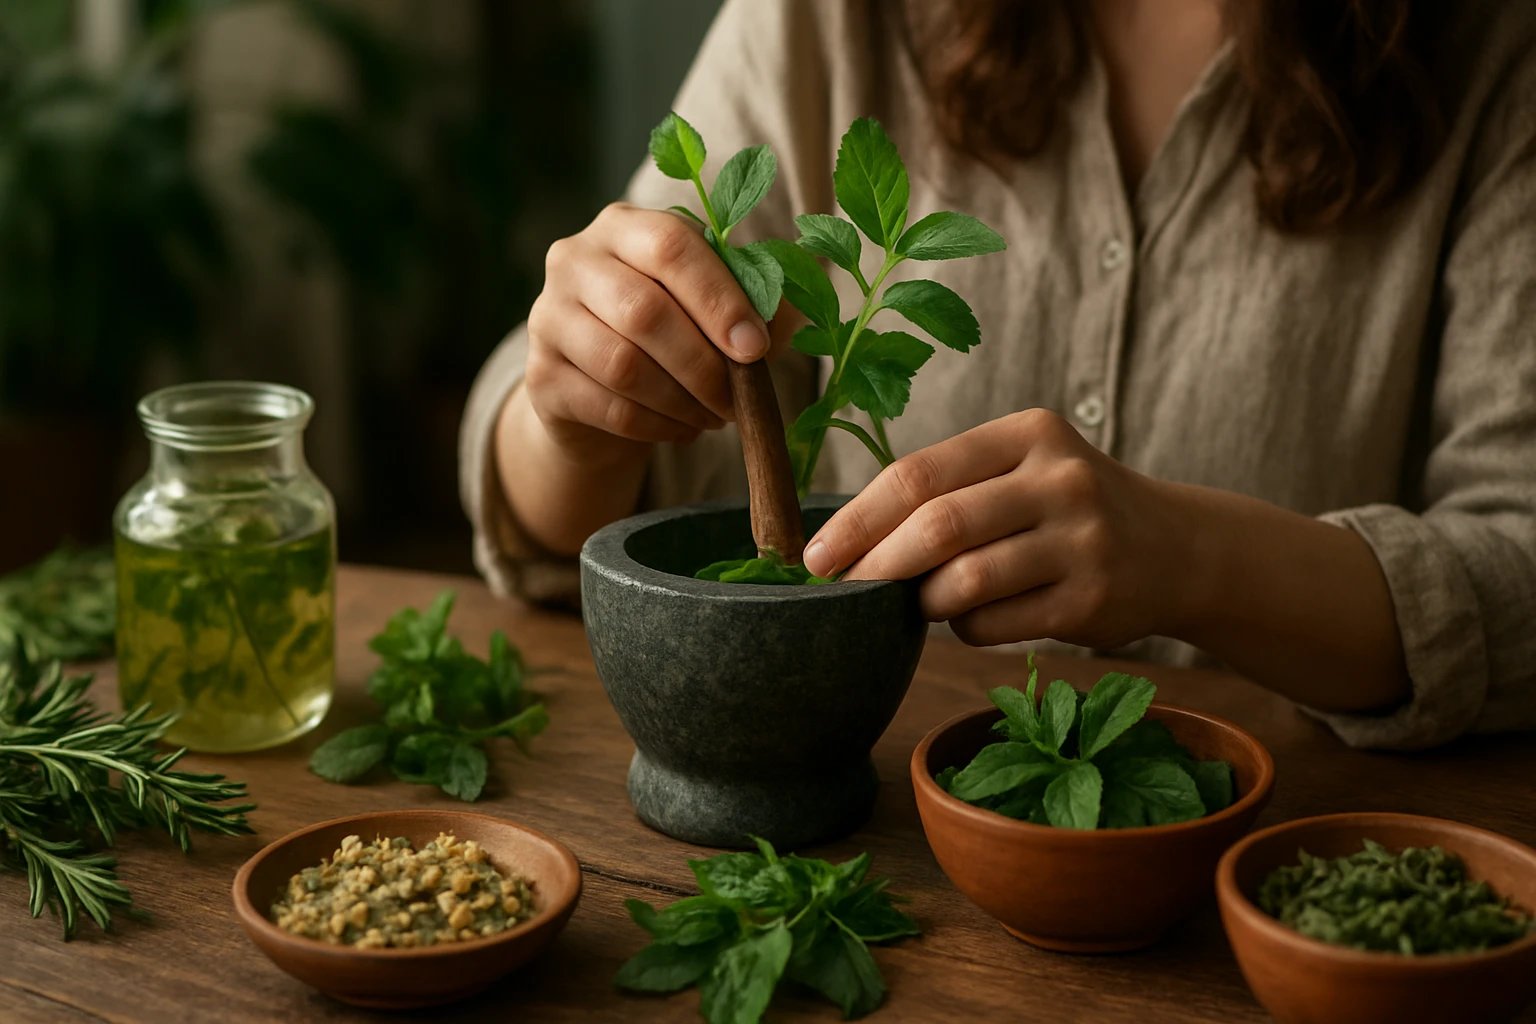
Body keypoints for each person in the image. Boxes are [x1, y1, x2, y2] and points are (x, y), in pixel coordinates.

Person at [460, 0, 1536, 751]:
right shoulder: (832, 14)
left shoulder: (1494, 44)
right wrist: (578, 419)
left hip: (1277, 841)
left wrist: (1199, 558)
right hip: (899, 827)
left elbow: (1521, 563)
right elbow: (563, 502)